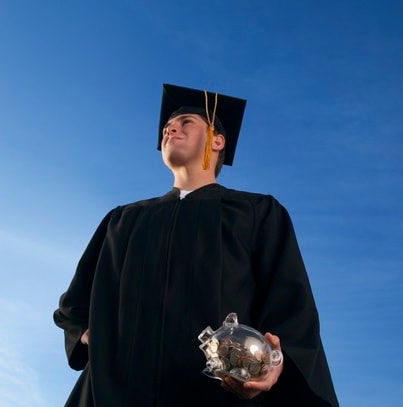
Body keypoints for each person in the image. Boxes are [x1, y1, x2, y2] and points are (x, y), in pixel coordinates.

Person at [52, 84, 339, 406]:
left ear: (217, 141)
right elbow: (74, 308)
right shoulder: (123, 220)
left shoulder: (256, 212)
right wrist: (102, 343)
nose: (170, 128)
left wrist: (272, 362)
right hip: (117, 392)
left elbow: (291, 306)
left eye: (186, 122)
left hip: (218, 392)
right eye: (166, 128)